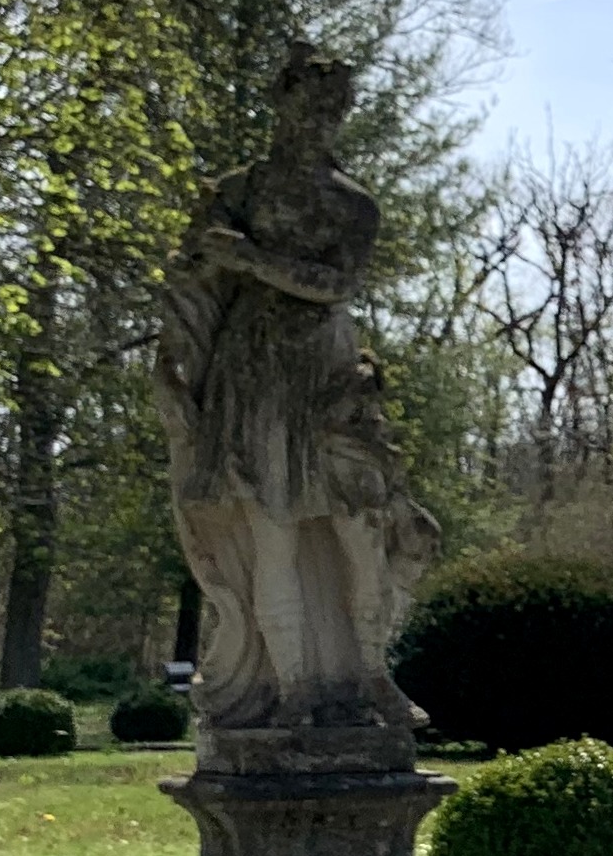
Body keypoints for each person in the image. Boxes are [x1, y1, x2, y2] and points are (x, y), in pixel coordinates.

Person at [157, 45, 439, 732]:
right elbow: (191, 281)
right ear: (280, 102)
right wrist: (194, 275)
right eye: (308, 104)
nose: (318, 120)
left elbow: (337, 285)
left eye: (332, 109)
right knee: (273, 533)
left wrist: (250, 257)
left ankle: (370, 673)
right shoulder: (236, 191)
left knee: (361, 527)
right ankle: (295, 688)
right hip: (251, 373)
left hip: (326, 375)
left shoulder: (351, 204)